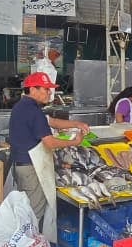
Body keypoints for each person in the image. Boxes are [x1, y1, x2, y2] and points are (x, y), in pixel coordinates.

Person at [8, 72, 88, 236]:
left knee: (26, 209)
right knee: (33, 212)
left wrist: (76, 123)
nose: (49, 93)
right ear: (33, 89)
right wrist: (74, 142)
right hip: (32, 168)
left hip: (21, 165)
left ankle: (24, 246)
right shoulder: (33, 111)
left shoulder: (22, 106)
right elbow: (49, 142)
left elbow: (50, 121)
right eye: (46, 89)